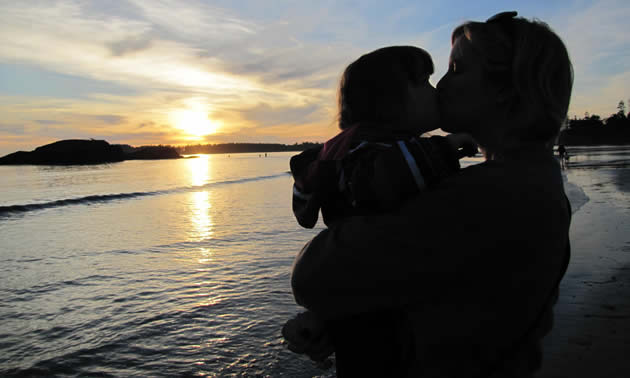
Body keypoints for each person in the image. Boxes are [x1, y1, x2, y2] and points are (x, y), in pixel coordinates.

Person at [285, 11, 573, 377]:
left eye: (456, 70)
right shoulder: (527, 182)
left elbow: (312, 277)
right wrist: (347, 323)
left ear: (506, 91)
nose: (442, 87)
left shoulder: (495, 195)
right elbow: (443, 293)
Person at [289, 46, 476, 229]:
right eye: (424, 81)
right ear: (389, 100)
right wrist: (444, 148)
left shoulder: (395, 149)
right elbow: (380, 179)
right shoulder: (360, 154)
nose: (436, 90)